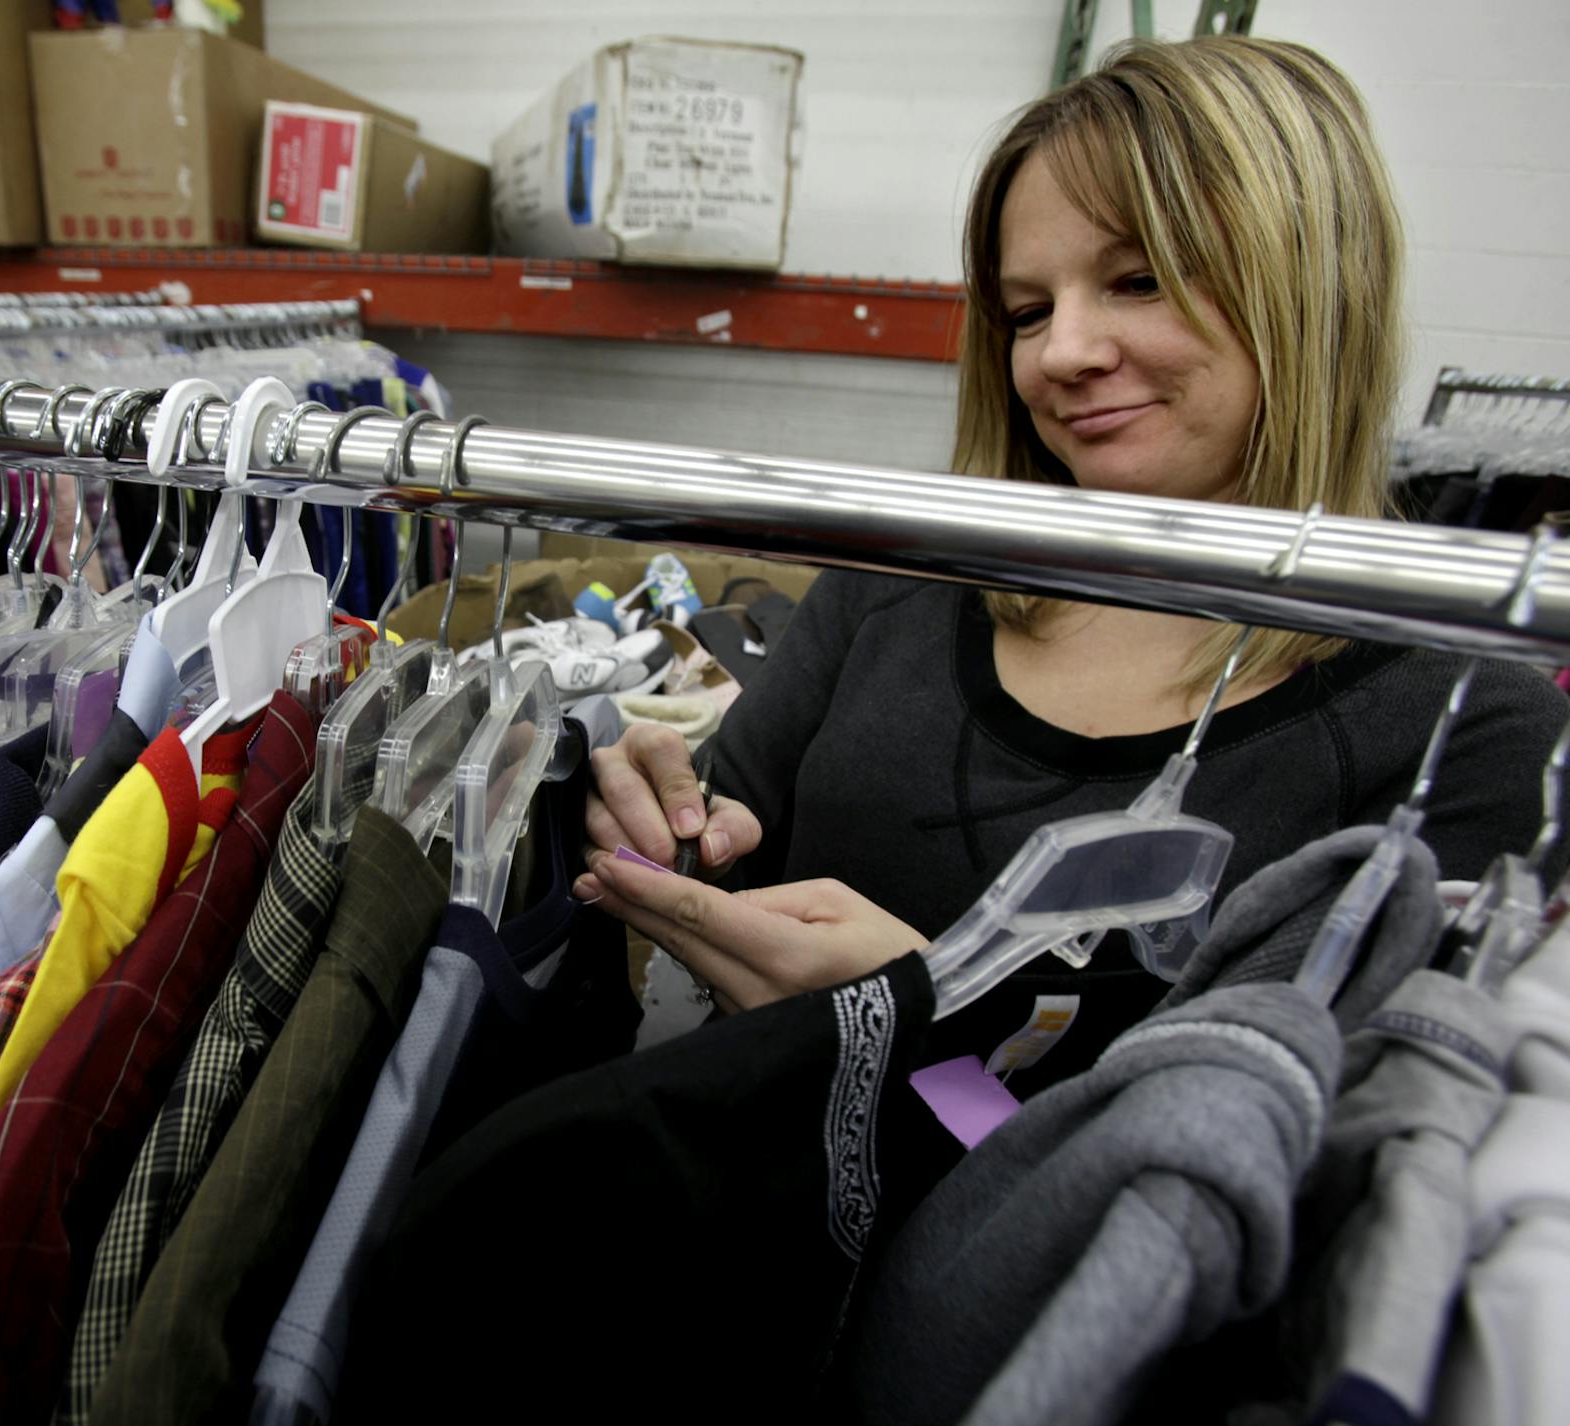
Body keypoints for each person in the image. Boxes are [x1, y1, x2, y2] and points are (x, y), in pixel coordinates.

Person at [575, 39, 1567, 1083]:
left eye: (1138, 280)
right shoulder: (901, 578)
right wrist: (661, 815)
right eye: (1029, 311)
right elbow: (730, 831)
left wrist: (947, 1018)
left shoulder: (1471, 735)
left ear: (1311, 289)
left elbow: (1320, 1171)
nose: (1063, 353)